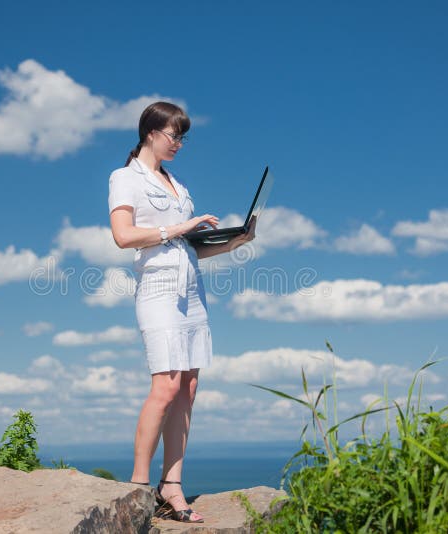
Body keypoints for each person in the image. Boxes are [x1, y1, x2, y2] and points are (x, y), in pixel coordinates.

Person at [108, 101, 256, 523]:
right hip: (157, 290)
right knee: (166, 386)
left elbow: (191, 249)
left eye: (182, 137)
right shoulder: (124, 178)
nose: (179, 144)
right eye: (174, 135)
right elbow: (123, 236)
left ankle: (171, 484)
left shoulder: (178, 184)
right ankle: (138, 486)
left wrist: (236, 241)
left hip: (191, 292)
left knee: (188, 387)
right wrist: (179, 227)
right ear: (151, 132)